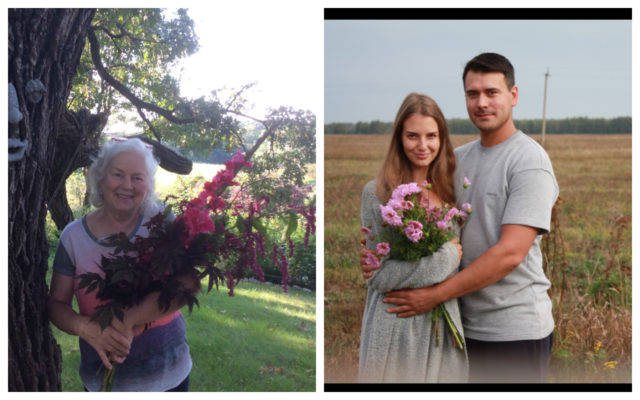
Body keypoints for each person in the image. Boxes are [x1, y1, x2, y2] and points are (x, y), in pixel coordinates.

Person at [362, 53, 559, 383]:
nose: (481, 102)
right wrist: (379, 258)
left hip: (512, 330)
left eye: (492, 92)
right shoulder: (455, 162)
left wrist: (435, 294)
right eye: (472, 94)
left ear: (513, 95)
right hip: (459, 325)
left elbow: (510, 254)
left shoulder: (529, 161)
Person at [48, 137, 197, 391]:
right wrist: (86, 327)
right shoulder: (73, 237)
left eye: (138, 177)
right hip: (103, 379)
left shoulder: (162, 222)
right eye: (118, 174)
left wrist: (127, 319)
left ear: (148, 184)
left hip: (169, 375)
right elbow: (56, 305)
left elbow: (189, 283)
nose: (127, 185)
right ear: (100, 178)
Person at [358, 93, 468, 383]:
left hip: (442, 324)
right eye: (412, 136)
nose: (423, 146)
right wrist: (446, 258)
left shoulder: (451, 192)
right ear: (399, 138)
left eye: (431, 135)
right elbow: (379, 277)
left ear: (442, 138)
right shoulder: (378, 193)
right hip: (397, 324)